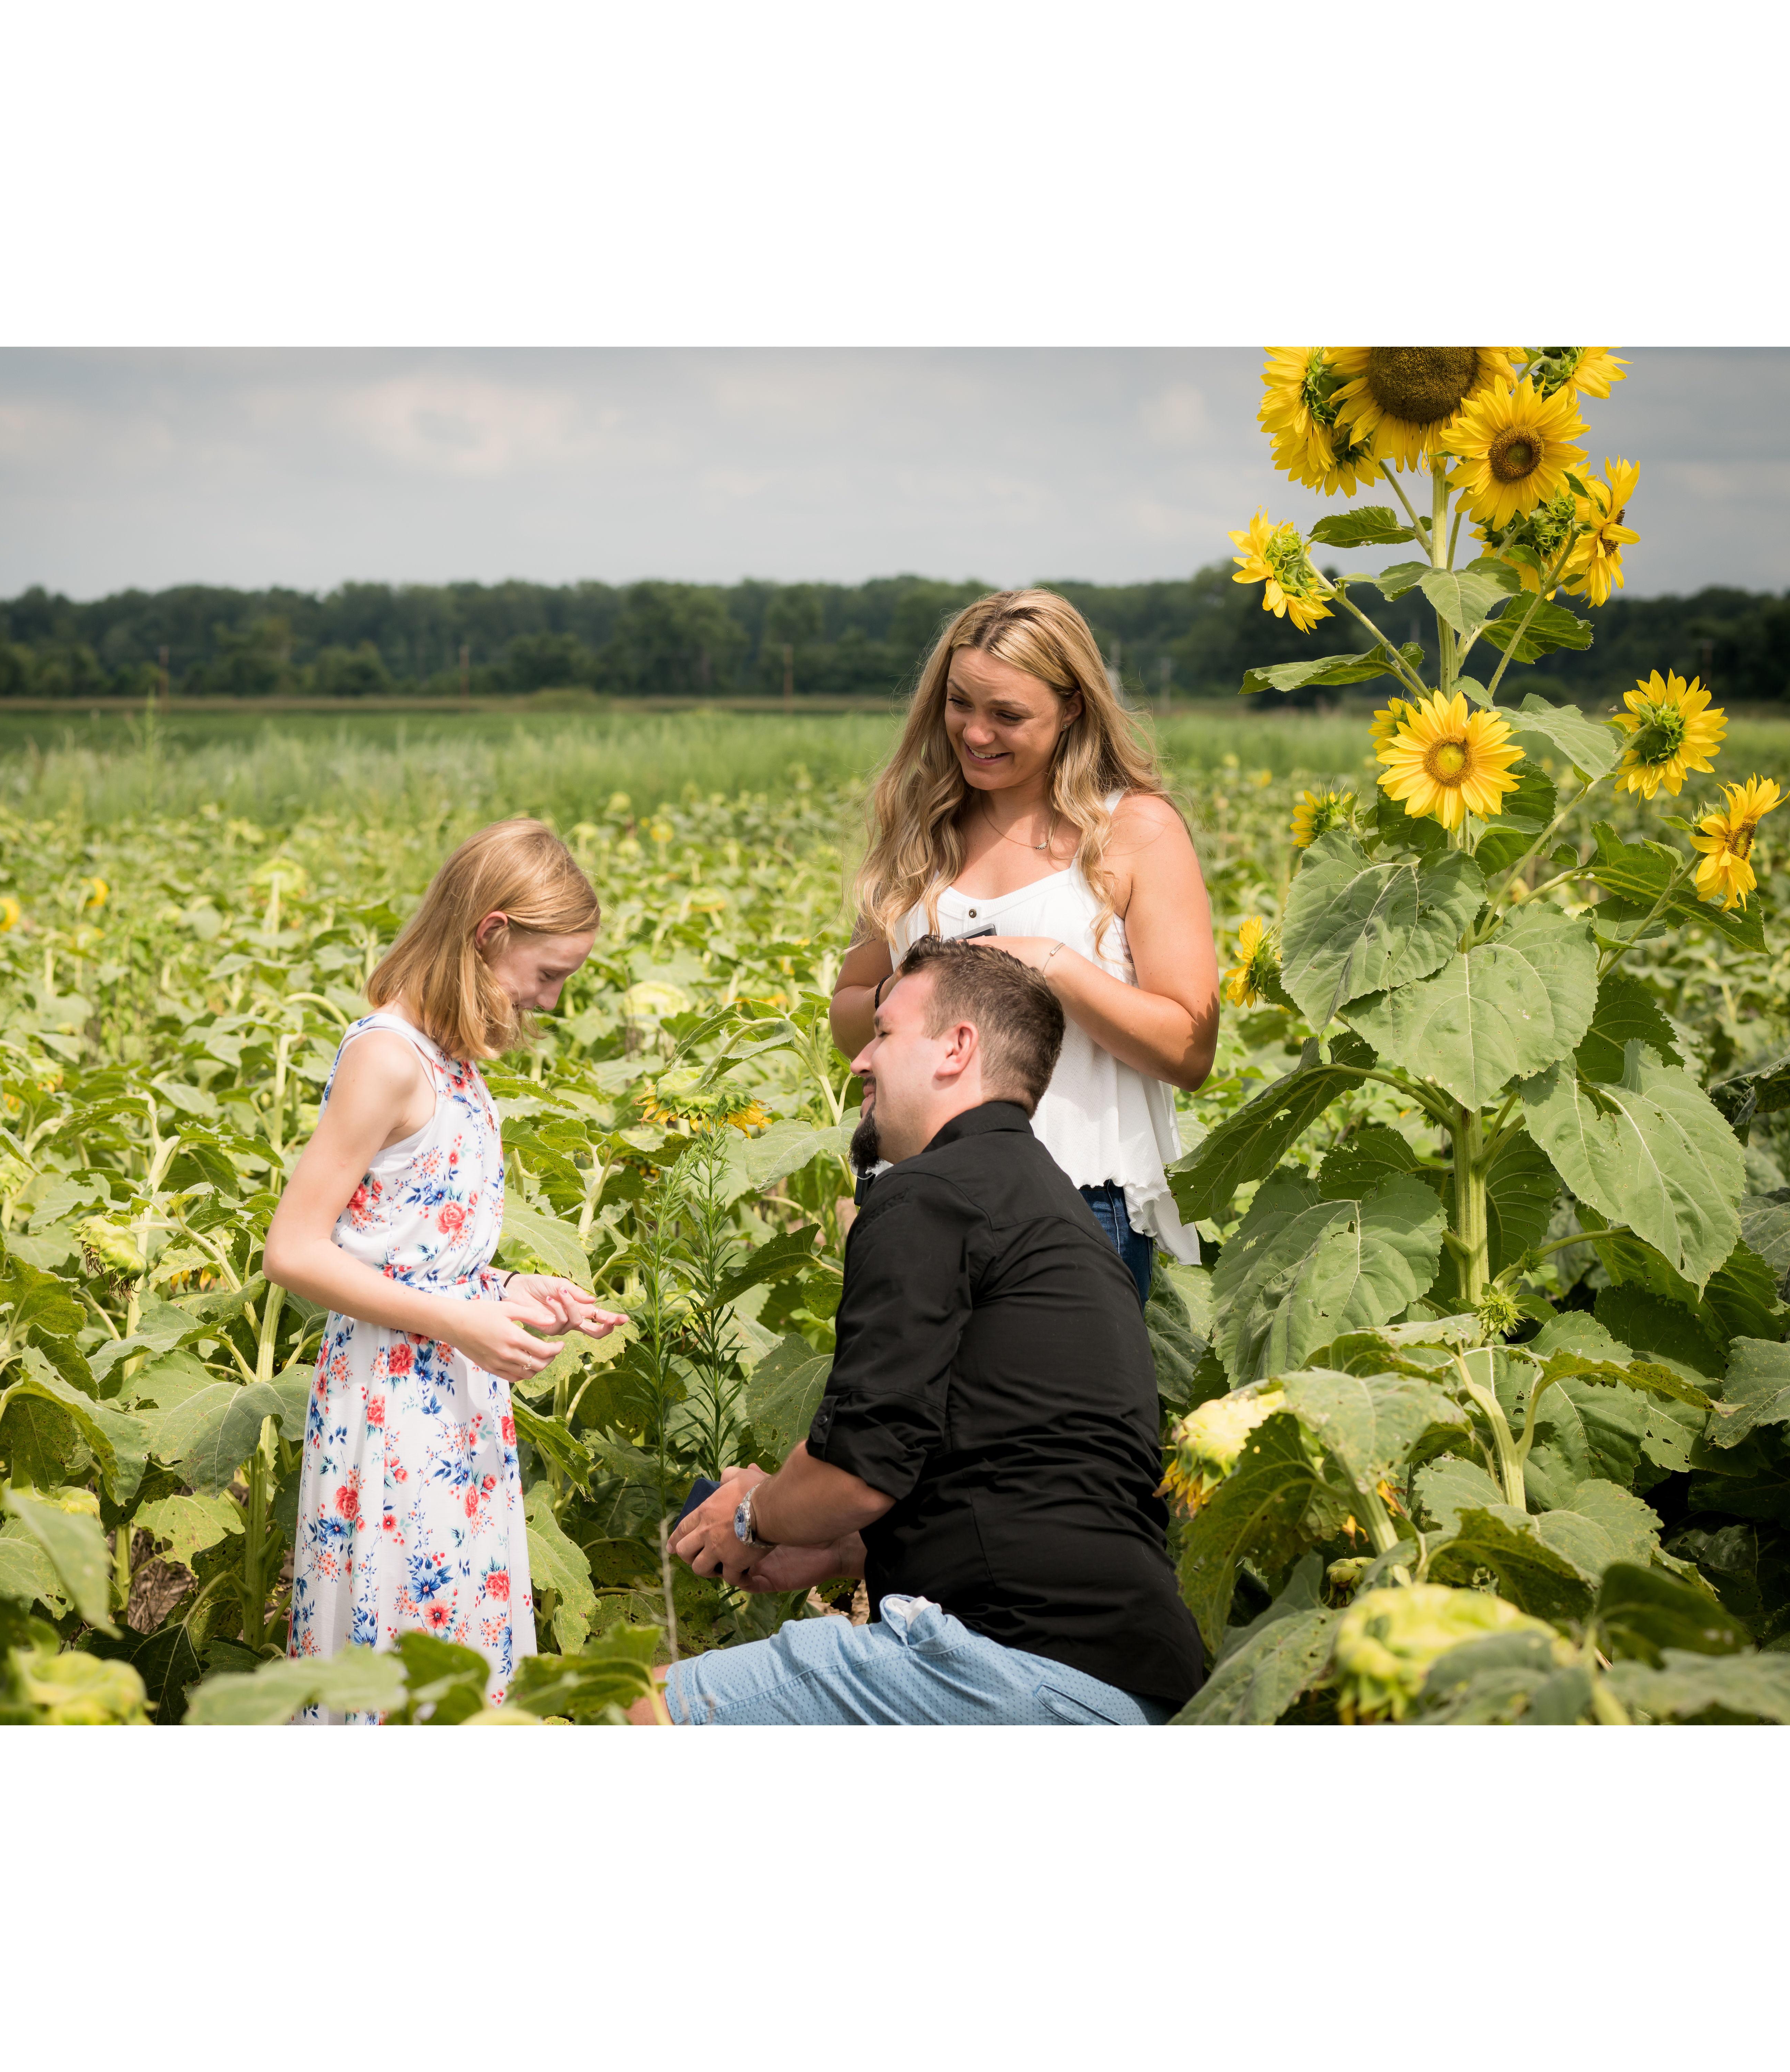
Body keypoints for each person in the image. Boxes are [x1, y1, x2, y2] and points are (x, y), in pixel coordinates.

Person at [641, 934, 1206, 1726]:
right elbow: (1025, 1478)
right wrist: (840, 1553)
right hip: (1133, 1685)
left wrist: (752, 1516)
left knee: (629, 1712)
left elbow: (856, 1472)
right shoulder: (1064, 1221)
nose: (858, 1062)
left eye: (883, 1033)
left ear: (956, 1048)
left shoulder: (931, 1196)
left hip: (1007, 1670)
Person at [263, 819, 624, 1719]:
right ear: (490, 933)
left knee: (460, 1645)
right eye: (548, 976)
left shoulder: (455, 1057)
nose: (549, 1000)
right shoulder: (387, 1058)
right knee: (404, 1657)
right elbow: (296, 1249)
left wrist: (507, 1289)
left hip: (454, 1404)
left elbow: (417, 1243)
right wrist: (458, 1321)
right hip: (393, 1404)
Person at [828, 589, 1219, 1305]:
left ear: (1073, 707)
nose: (976, 734)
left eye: (1008, 715)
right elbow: (849, 1015)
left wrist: (1050, 965)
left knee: (1052, 1418)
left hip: (1074, 1196)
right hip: (914, 1196)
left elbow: (1191, 1050)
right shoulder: (923, 832)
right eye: (959, 704)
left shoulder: (1135, 831)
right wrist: (922, 989)